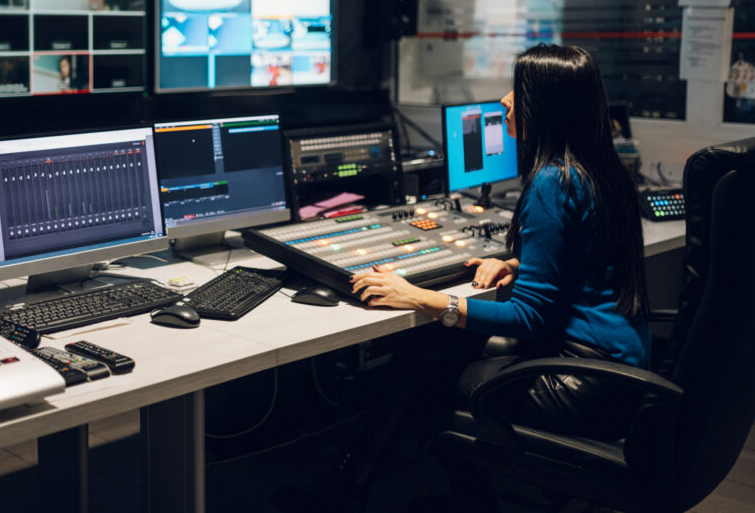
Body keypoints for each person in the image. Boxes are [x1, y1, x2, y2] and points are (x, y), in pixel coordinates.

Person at [277, 44, 650, 512]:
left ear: (548, 105)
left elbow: (529, 318)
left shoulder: (552, 183)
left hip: (580, 382)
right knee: (426, 349)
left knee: (430, 369)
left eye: (518, 90)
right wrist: (519, 265)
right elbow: (590, 263)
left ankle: (445, 494)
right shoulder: (600, 170)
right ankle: (367, 486)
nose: (504, 101)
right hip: (619, 370)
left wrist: (421, 298)